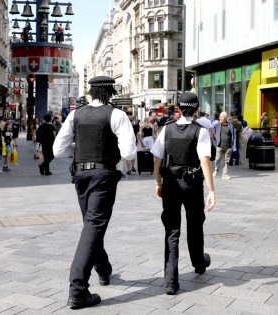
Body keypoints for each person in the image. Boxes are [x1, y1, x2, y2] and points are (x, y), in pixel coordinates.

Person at [53, 76, 136, 310]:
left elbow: (58, 150)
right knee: (93, 226)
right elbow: (129, 153)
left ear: (91, 92)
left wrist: (80, 150)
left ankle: (104, 269)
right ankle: (77, 289)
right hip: (103, 176)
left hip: (80, 176)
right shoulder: (117, 115)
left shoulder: (75, 114)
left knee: (91, 224)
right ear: (110, 92)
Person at [150, 92, 215, 295]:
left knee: (172, 230)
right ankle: (198, 263)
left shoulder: (166, 129)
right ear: (196, 109)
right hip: (193, 184)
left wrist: (158, 181)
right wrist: (211, 190)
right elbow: (205, 160)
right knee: (195, 225)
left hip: (170, 182)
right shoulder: (200, 131)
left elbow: (157, 159)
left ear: (178, 108)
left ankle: (171, 281)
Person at [213, 112, 237, 179]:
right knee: (217, 160)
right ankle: (216, 170)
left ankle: (224, 174)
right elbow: (213, 131)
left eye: (221, 117)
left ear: (225, 118)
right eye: (220, 117)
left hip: (228, 147)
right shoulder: (217, 125)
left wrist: (233, 146)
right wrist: (216, 140)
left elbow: (234, 136)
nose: (219, 118)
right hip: (219, 146)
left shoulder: (230, 126)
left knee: (226, 162)